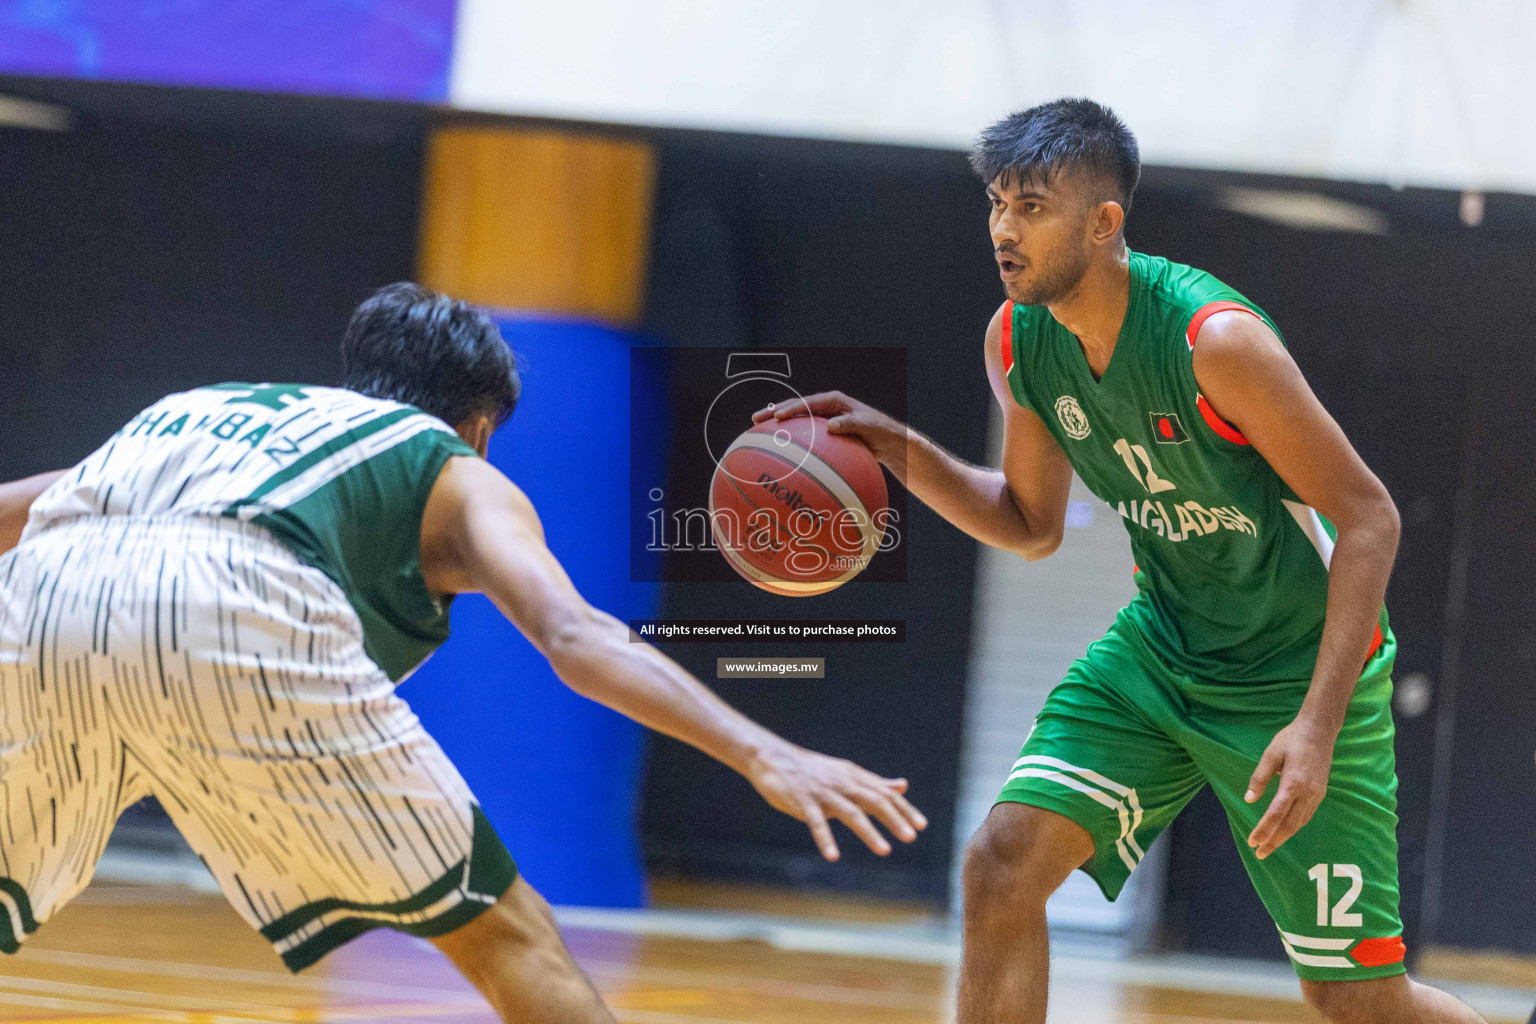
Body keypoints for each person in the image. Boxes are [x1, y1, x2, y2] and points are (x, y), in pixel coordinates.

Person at [0, 282, 926, 1024]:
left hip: (45, 597)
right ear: (482, 424)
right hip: (239, 602)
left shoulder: (204, 411)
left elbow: (24, 513)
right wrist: (765, 751)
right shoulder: (453, 465)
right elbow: (576, 637)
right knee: (507, 936)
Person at [756, 99, 1482, 1024]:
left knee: (1356, 998)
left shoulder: (1213, 342)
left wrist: (1318, 724)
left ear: (1105, 224)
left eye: (1031, 207)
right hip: (1162, 652)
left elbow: (1370, 518)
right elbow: (1028, 521)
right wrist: (900, 449)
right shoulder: (1019, 340)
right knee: (1001, 863)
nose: (1004, 231)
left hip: (1293, 675)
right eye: (996, 204)